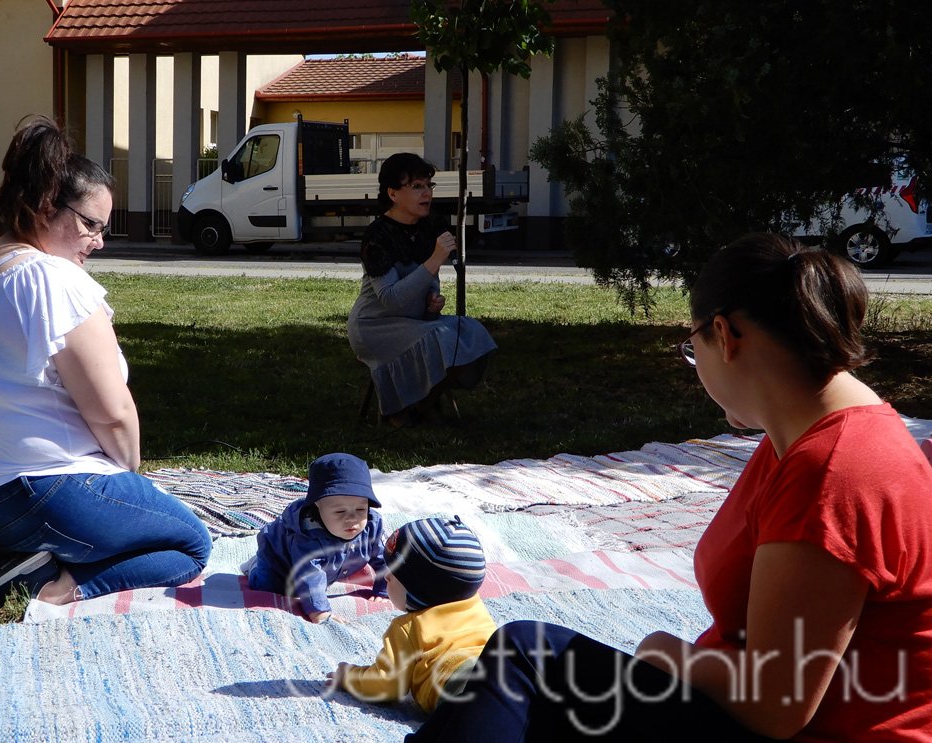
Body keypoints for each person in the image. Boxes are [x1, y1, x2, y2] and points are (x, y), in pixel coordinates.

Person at [408, 233, 932, 741]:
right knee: (522, 687)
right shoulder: (801, 435)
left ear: (725, 336)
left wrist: (667, 653)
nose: (694, 362)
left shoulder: (834, 470)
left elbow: (777, 704)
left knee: (526, 655)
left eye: (691, 346)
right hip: (748, 712)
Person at [0, 115, 212, 609]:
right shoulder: (51, 278)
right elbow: (112, 412)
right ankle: (50, 585)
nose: (98, 241)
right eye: (91, 224)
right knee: (189, 543)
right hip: (35, 492)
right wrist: (128, 479)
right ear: (46, 206)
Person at [347, 153, 496, 427]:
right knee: (442, 337)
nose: (426, 193)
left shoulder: (428, 227)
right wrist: (434, 260)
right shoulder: (378, 235)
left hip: (415, 321)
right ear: (393, 193)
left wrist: (432, 300)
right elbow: (391, 300)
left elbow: (430, 281)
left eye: (429, 186)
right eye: (416, 186)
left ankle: (419, 405)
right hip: (376, 326)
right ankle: (403, 408)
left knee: (472, 332)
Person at [326, 516, 496, 713]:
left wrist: (350, 677)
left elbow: (385, 685)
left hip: (458, 684)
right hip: (501, 667)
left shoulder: (409, 627)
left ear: (420, 589)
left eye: (394, 575)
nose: (386, 576)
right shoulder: (475, 605)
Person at [247, 452, 387, 623]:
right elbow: (309, 575)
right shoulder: (309, 535)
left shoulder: (371, 527)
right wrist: (319, 611)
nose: (351, 518)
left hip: (330, 567)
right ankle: (255, 565)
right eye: (339, 511)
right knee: (270, 587)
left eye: (360, 510)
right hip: (280, 561)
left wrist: (384, 589)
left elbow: (384, 560)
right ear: (317, 507)